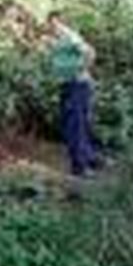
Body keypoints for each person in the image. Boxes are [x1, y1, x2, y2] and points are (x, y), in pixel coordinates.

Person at [45, 10, 102, 176]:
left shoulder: (70, 36)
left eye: (57, 23)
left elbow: (90, 52)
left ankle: (80, 166)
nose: (54, 27)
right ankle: (89, 157)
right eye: (51, 24)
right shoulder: (58, 40)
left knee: (75, 124)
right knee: (77, 123)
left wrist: (81, 69)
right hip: (69, 85)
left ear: (64, 23)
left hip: (77, 84)